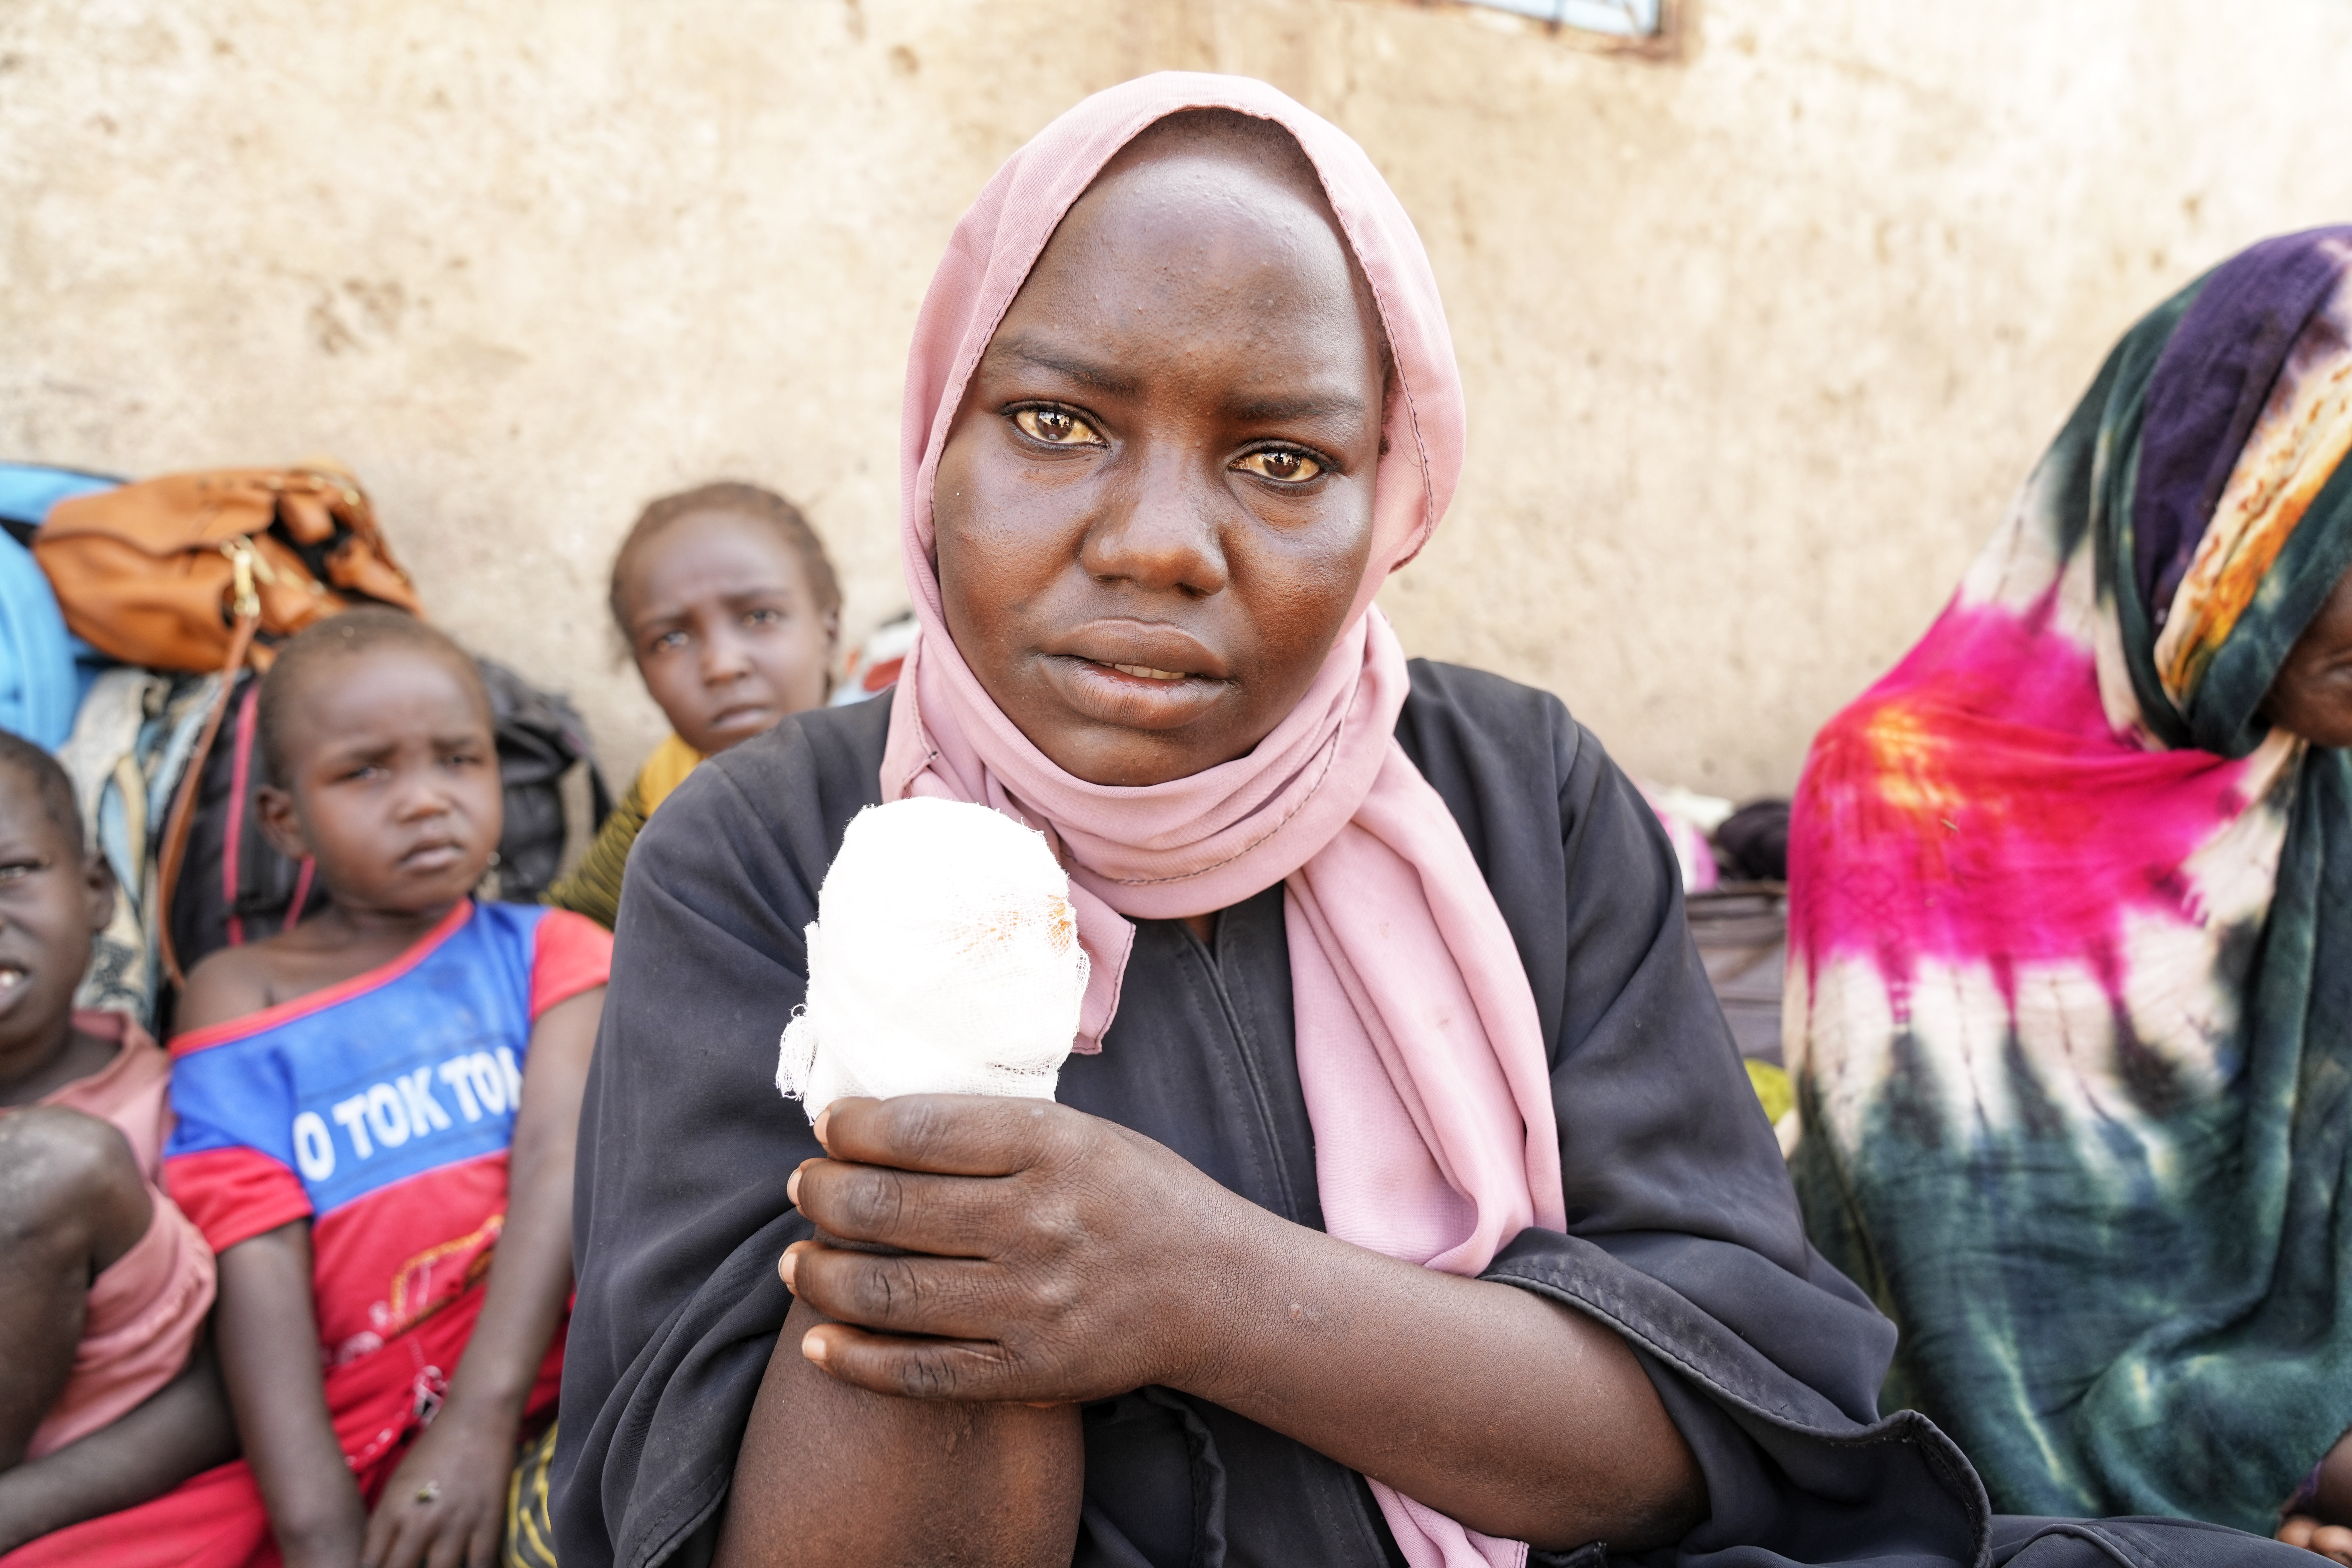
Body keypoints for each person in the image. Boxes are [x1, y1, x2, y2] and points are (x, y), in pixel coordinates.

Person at [554, 74, 2308, 1568]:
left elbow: (1728, 1411)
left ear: (1398, 492)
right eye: (1054, 422)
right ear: (936, 443)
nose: (1163, 541)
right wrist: (956, 1158)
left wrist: (1198, 1284)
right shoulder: (763, 851)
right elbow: (743, 1526)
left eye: (1282, 460)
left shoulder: (1515, 792)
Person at [1786, 225, 2352, 1558]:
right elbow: (1967, 1320)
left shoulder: (2320, 781)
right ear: (2207, 509)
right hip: (2060, 1455)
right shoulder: (1903, 800)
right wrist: (2286, 1464)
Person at [16, 608, 613, 1568]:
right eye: (365, 771)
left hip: (530, 1386)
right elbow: (256, 1254)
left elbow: (560, 1165)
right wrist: (317, 1530)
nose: (425, 801)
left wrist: (474, 1429)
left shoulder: (556, 953)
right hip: (331, 1431)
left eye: (458, 760)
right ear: (285, 822)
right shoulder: (239, 993)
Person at [0, 734, 234, 1557]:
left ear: (96, 888)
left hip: (87, 1513)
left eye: (11, 872)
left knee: (53, 1167)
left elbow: (229, 1387)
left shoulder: (184, 1107)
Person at [542, 482, 840, 930]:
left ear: (829, 630)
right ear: (643, 674)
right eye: (671, 640)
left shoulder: (908, 756)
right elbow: (581, 924)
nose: (721, 666)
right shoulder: (666, 787)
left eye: (760, 616)